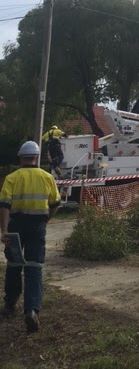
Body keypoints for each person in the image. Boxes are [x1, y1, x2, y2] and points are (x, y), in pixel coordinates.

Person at [0, 140, 61, 333]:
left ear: (20, 157)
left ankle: (9, 305)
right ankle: (32, 310)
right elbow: (55, 203)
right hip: (37, 226)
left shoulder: (12, 178)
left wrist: (3, 231)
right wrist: (47, 219)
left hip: (15, 226)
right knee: (34, 267)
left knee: (14, 265)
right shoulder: (47, 177)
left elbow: (4, 205)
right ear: (37, 157)